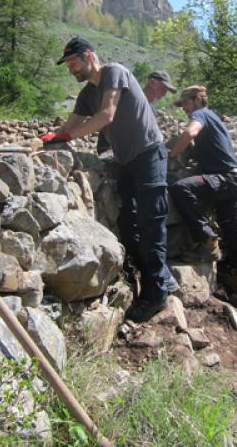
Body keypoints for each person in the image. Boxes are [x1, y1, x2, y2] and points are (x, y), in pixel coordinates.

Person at [42, 37, 174, 323]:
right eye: (68, 66)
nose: (71, 69)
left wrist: (66, 138)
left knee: (152, 223)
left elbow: (106, 115)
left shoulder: (114, 71)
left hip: (150, 154)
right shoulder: (85, 95)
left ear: (89, 56)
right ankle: (159, 277)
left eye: (74, 63)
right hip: (126, 162)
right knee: (128, 221)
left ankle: (156, 295)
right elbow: (69, 125)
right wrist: (48, 141)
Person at [168, 85, 237, 313]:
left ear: (196, 100)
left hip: (222, 179)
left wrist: (170, 155)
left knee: (180, 188)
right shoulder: (214, 117)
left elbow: (189, 133)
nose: (184, 109)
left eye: (185, 103)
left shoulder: (201, 115)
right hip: (233, 181)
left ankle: (207, 240)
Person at [96, 70, 176, 154]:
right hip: (112, 149)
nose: (164, 94)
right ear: (151, 83)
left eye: (166, 91)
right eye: (163, 89)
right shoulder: (131, 100)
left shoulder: (151, 109)